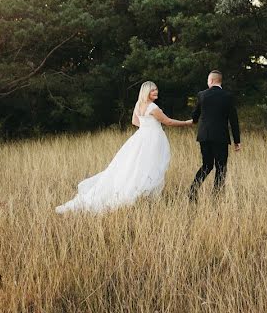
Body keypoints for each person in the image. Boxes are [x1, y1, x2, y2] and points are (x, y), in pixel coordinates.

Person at [55, 81, 192, 214]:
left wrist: (146, 128)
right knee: (149, 166)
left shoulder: (139, 105)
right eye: (152, 90)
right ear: (146, 92)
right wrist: (186, 123)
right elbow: (167, 121)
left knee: (134, 166)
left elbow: (134, 121)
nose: (156, 92)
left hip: (140, 137)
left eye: (156, 89)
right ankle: (141, 194)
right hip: (152, 139)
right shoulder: (153, 108)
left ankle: (143, 195)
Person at [189, 70, 241, 201]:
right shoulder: (228, 96)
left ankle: (192, 190)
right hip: (221, 137)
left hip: (204, 136)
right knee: (221, 167)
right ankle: (216, 197)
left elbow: (195, 115)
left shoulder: (202, 95)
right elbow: (233, 120)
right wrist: (237, 141)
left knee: (207, 165)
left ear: (211, 81)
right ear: (220, 81)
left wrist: (194, 120)